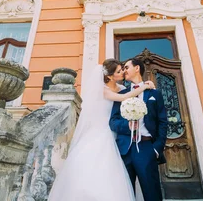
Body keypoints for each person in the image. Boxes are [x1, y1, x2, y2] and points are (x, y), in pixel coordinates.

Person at [48, 59, 155, 201]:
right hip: (101, 132)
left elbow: (127, 97)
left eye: (123, 68)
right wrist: (145, 86)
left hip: (118, 134)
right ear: (110, 76)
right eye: (119, 71)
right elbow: (122, 98)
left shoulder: (123, 88)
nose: (123, 72)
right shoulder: (103, 90)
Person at [110, 58, 168, 201]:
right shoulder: (122, 94)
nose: (124, 70)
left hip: (146, 148)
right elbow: (113, 121)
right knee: (125, 195)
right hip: (124, 149)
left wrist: (156, 149)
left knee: (151, 193)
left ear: (137, 68)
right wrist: (126, 126)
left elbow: (163, 122)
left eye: (126, 67)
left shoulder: (155, 94)